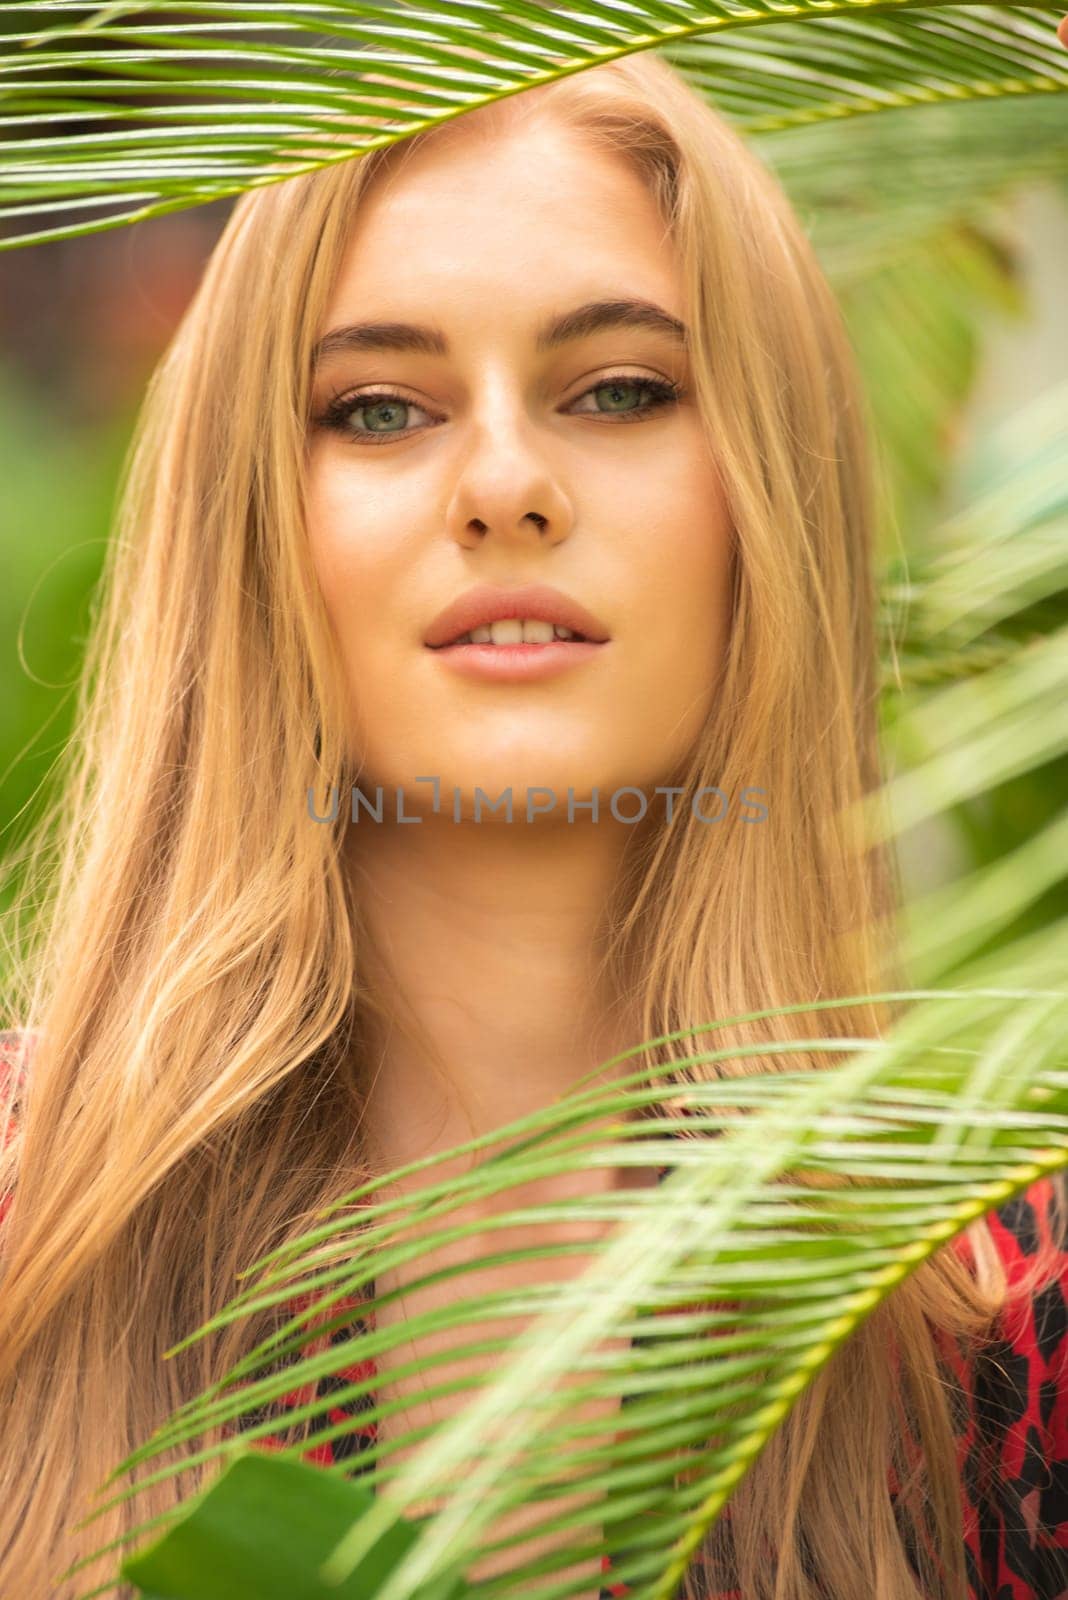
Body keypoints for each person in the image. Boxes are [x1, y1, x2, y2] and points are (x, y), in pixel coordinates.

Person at [0, 42, 1065, 1600]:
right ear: (248, 528)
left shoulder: (1001, 1289)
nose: (507, 486)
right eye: (376, 408)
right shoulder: (25, 1225)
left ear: (768, 498)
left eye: (620, 389)